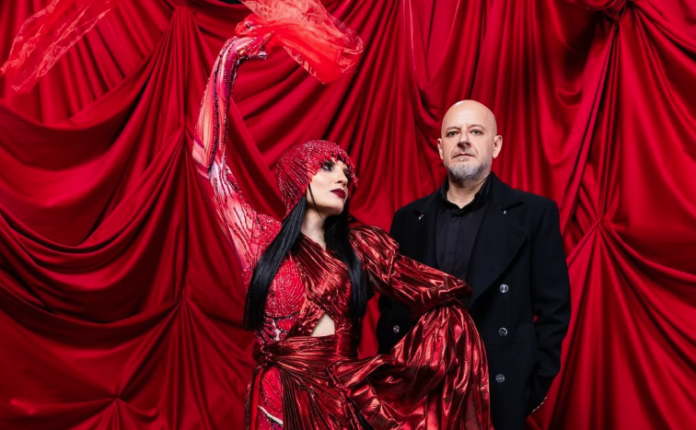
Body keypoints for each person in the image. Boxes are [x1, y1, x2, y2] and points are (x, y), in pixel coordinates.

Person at [192, 39, 493, 430]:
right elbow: (208, 161)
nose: (342, 177)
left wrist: (437, 350)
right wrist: (229, 59)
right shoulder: (258, 237)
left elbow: (431, 293)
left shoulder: (361, 247)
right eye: (328, 167)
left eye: (347, 172)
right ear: (299, 177)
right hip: (275, 401)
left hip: (340, 403)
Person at [378, 100, 571, 430]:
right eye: (453, 133)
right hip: (420, 396)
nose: (463, 140)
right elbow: (392, 309)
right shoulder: (408, 219)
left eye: (476, 132)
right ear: (440, 148)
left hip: (496, 393)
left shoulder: (534, 214)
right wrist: (396, 378)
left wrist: (528, 389)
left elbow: (554, 310)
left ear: (496, 145)